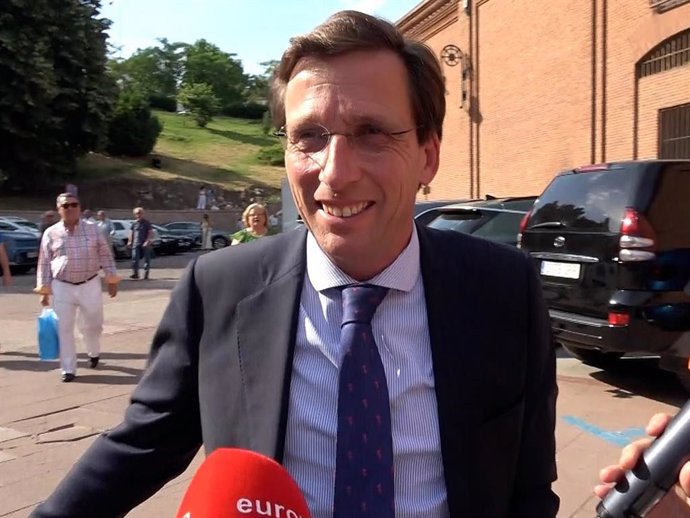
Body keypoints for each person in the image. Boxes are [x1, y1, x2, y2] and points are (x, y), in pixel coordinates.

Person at [30, 11, 690, 518]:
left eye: (373, 133)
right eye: (309, 137)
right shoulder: (219, 288)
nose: (335, 175)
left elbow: (525, 494)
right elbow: (145, 444)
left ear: (429, 154)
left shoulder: (504, 292)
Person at [34, 192, 119, 382]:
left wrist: (111, 280)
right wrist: (44, 289)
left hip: (89, 283)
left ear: (79, 207)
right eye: (66, 206)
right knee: (64, 328)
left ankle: (93, 351)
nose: (71, 208)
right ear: (59, 210)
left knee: (94, 324)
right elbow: (44, 262)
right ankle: (68, 368)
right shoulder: (51, 232)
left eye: (74, 205)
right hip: (62, 286)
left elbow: (105, 255)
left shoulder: (93, 229)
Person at [128, 207, 153, 280]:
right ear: (135, 214)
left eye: (140, 213)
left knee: (147, 259)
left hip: (145, 244)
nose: (138, 215)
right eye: (137, 213)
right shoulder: (134, 223)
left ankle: (146, 274)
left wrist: (147, 241)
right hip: (136, 244)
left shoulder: (147, 223)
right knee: (134, 258)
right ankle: (135, 274)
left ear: (143, 214)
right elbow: (131, 232)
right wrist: (129, 241)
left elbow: (150, 233)